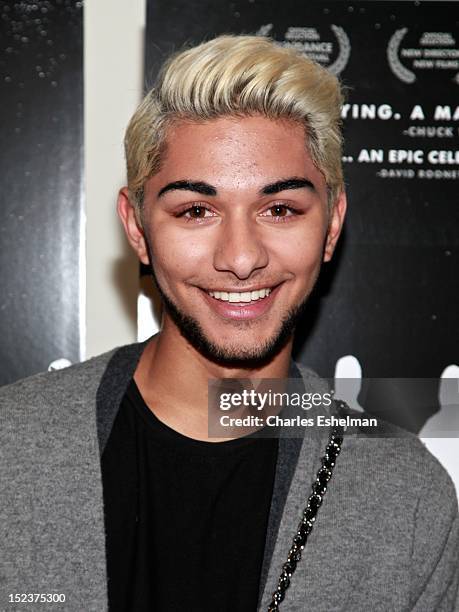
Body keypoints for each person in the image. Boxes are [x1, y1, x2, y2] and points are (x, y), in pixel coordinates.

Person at [1, 35, 458, 612]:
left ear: (332, 224)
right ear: (137, 228)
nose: (241, 258)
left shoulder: (404, 497)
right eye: (196, 210)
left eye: (280, 209)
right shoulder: (10, 450)